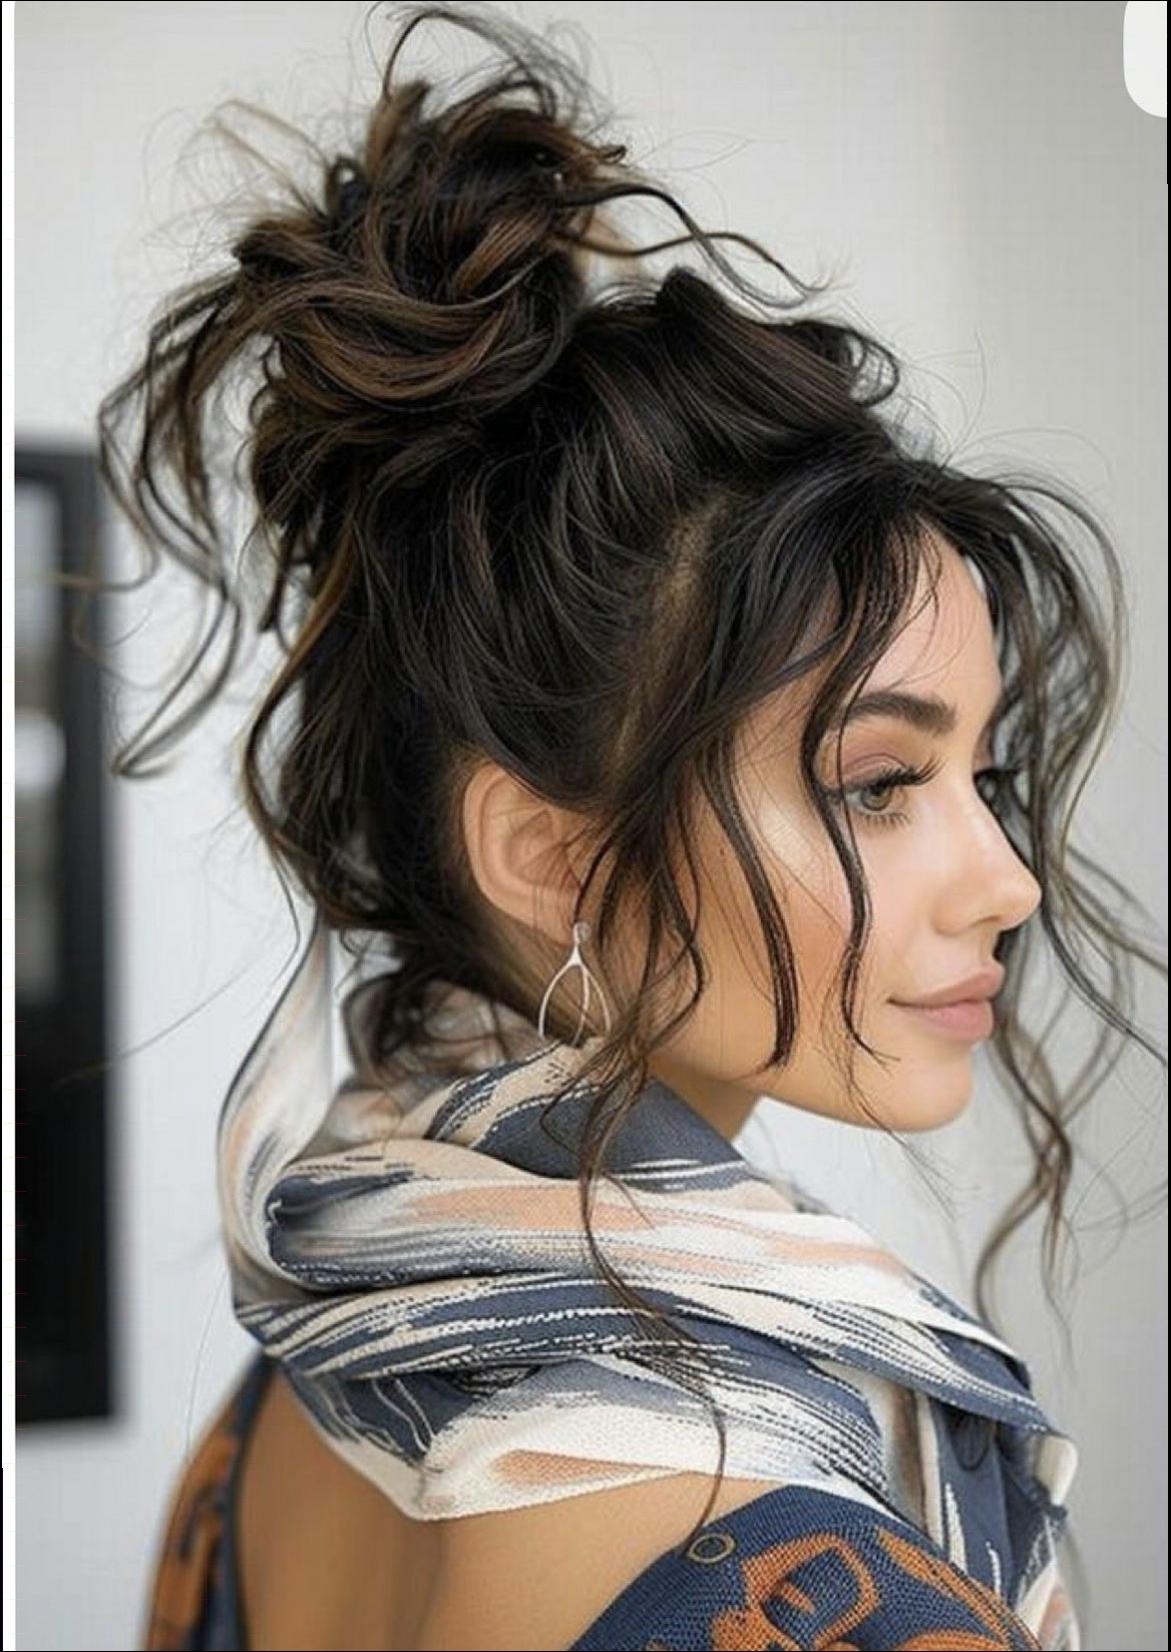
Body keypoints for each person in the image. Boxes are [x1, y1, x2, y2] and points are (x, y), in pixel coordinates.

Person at [92, 4, 1163, 1648]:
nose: (1008, 880)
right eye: (880, 786)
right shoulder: (760, 1547)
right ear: (555, 859)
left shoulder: (316, 1379)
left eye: (986, 775)